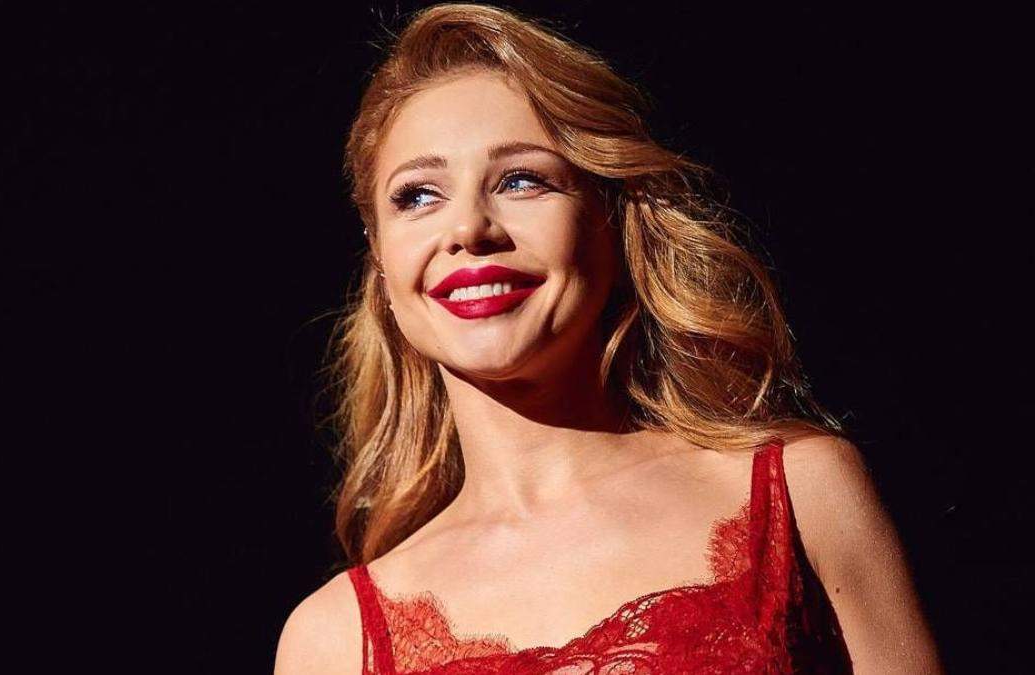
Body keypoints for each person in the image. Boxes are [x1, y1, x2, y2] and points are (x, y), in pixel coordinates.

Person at [276, 3, 942, 673]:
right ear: (380, 259)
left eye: (522, 180)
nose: (469, 229)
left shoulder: (801, 491)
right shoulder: (331, 642)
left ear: (611, 220)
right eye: (418, 195)